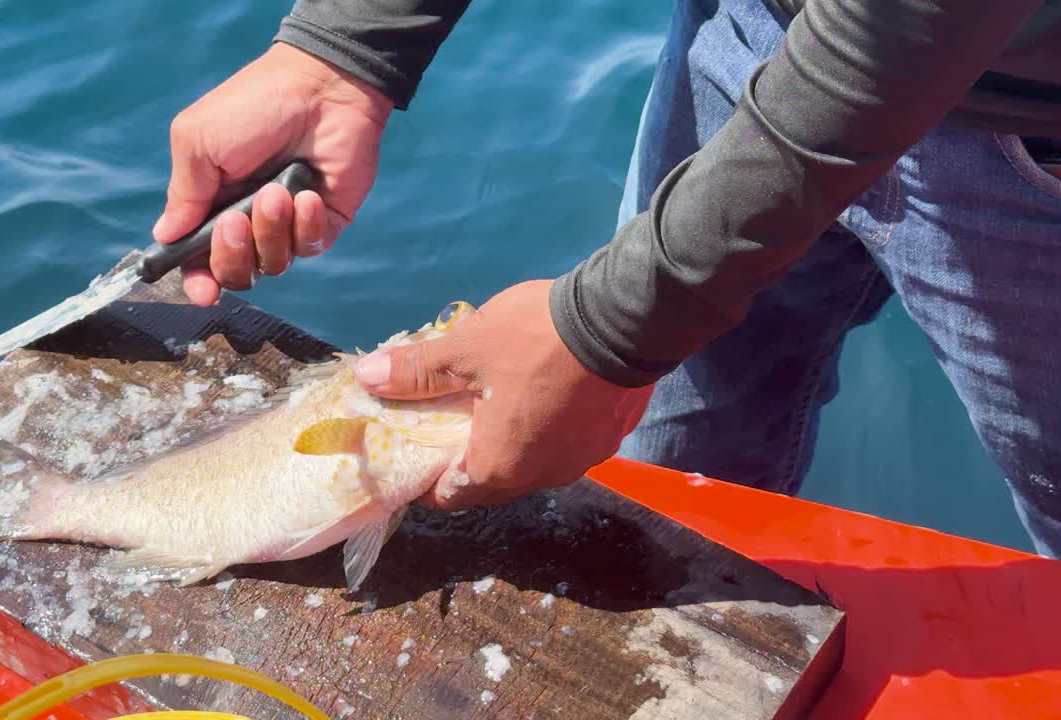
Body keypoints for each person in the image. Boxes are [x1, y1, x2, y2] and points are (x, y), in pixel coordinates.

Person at [150, 0, 1061, 556]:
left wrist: (617, 324)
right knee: (663, 477)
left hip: (1034, 123)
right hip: (747, 36)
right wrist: (348, 44)